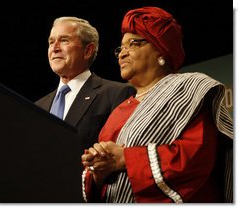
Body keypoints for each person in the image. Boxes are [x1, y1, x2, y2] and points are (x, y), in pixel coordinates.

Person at [81, 7, 233, 203]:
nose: (122, 54)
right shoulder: (119, 111)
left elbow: (196, 156)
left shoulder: (189, 89)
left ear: (161, 50)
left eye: (133, 43)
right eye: (120, 48)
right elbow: (107, 185)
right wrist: (97, 171)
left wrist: (125, 158)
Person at [35, 17, 136, 151]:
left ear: (88, 50)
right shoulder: (38, 107)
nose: (54, 48)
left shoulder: (116, 94)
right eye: (51, 42)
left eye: (64, 40)